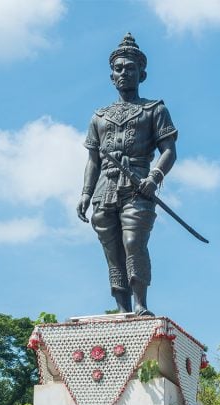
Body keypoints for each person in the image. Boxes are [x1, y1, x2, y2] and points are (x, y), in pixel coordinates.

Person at [76, 33, 178, 316]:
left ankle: (140, 304)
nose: (124, 73)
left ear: (141, 74)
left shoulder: (154, 110)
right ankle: (121, 307)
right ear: (112, 76)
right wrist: (85, 193)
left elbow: (169, 151)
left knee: (133, 242)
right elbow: (92, 160)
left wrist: (154, 178)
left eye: (130, 68)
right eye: (119, 68)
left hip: (137, 186)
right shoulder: (99, 116)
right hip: (104, 188)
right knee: (112, 250)